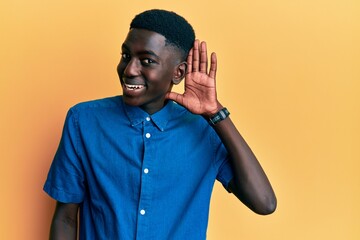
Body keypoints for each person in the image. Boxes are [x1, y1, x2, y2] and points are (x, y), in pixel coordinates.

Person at [44, 9, 276, 240]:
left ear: (178, 73)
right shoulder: (83, 121)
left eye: (147, 61)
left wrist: (215, 113)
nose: (129, 69)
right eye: (126, 56)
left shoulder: (205, 130)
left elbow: (264, 203)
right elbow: (65, 218)